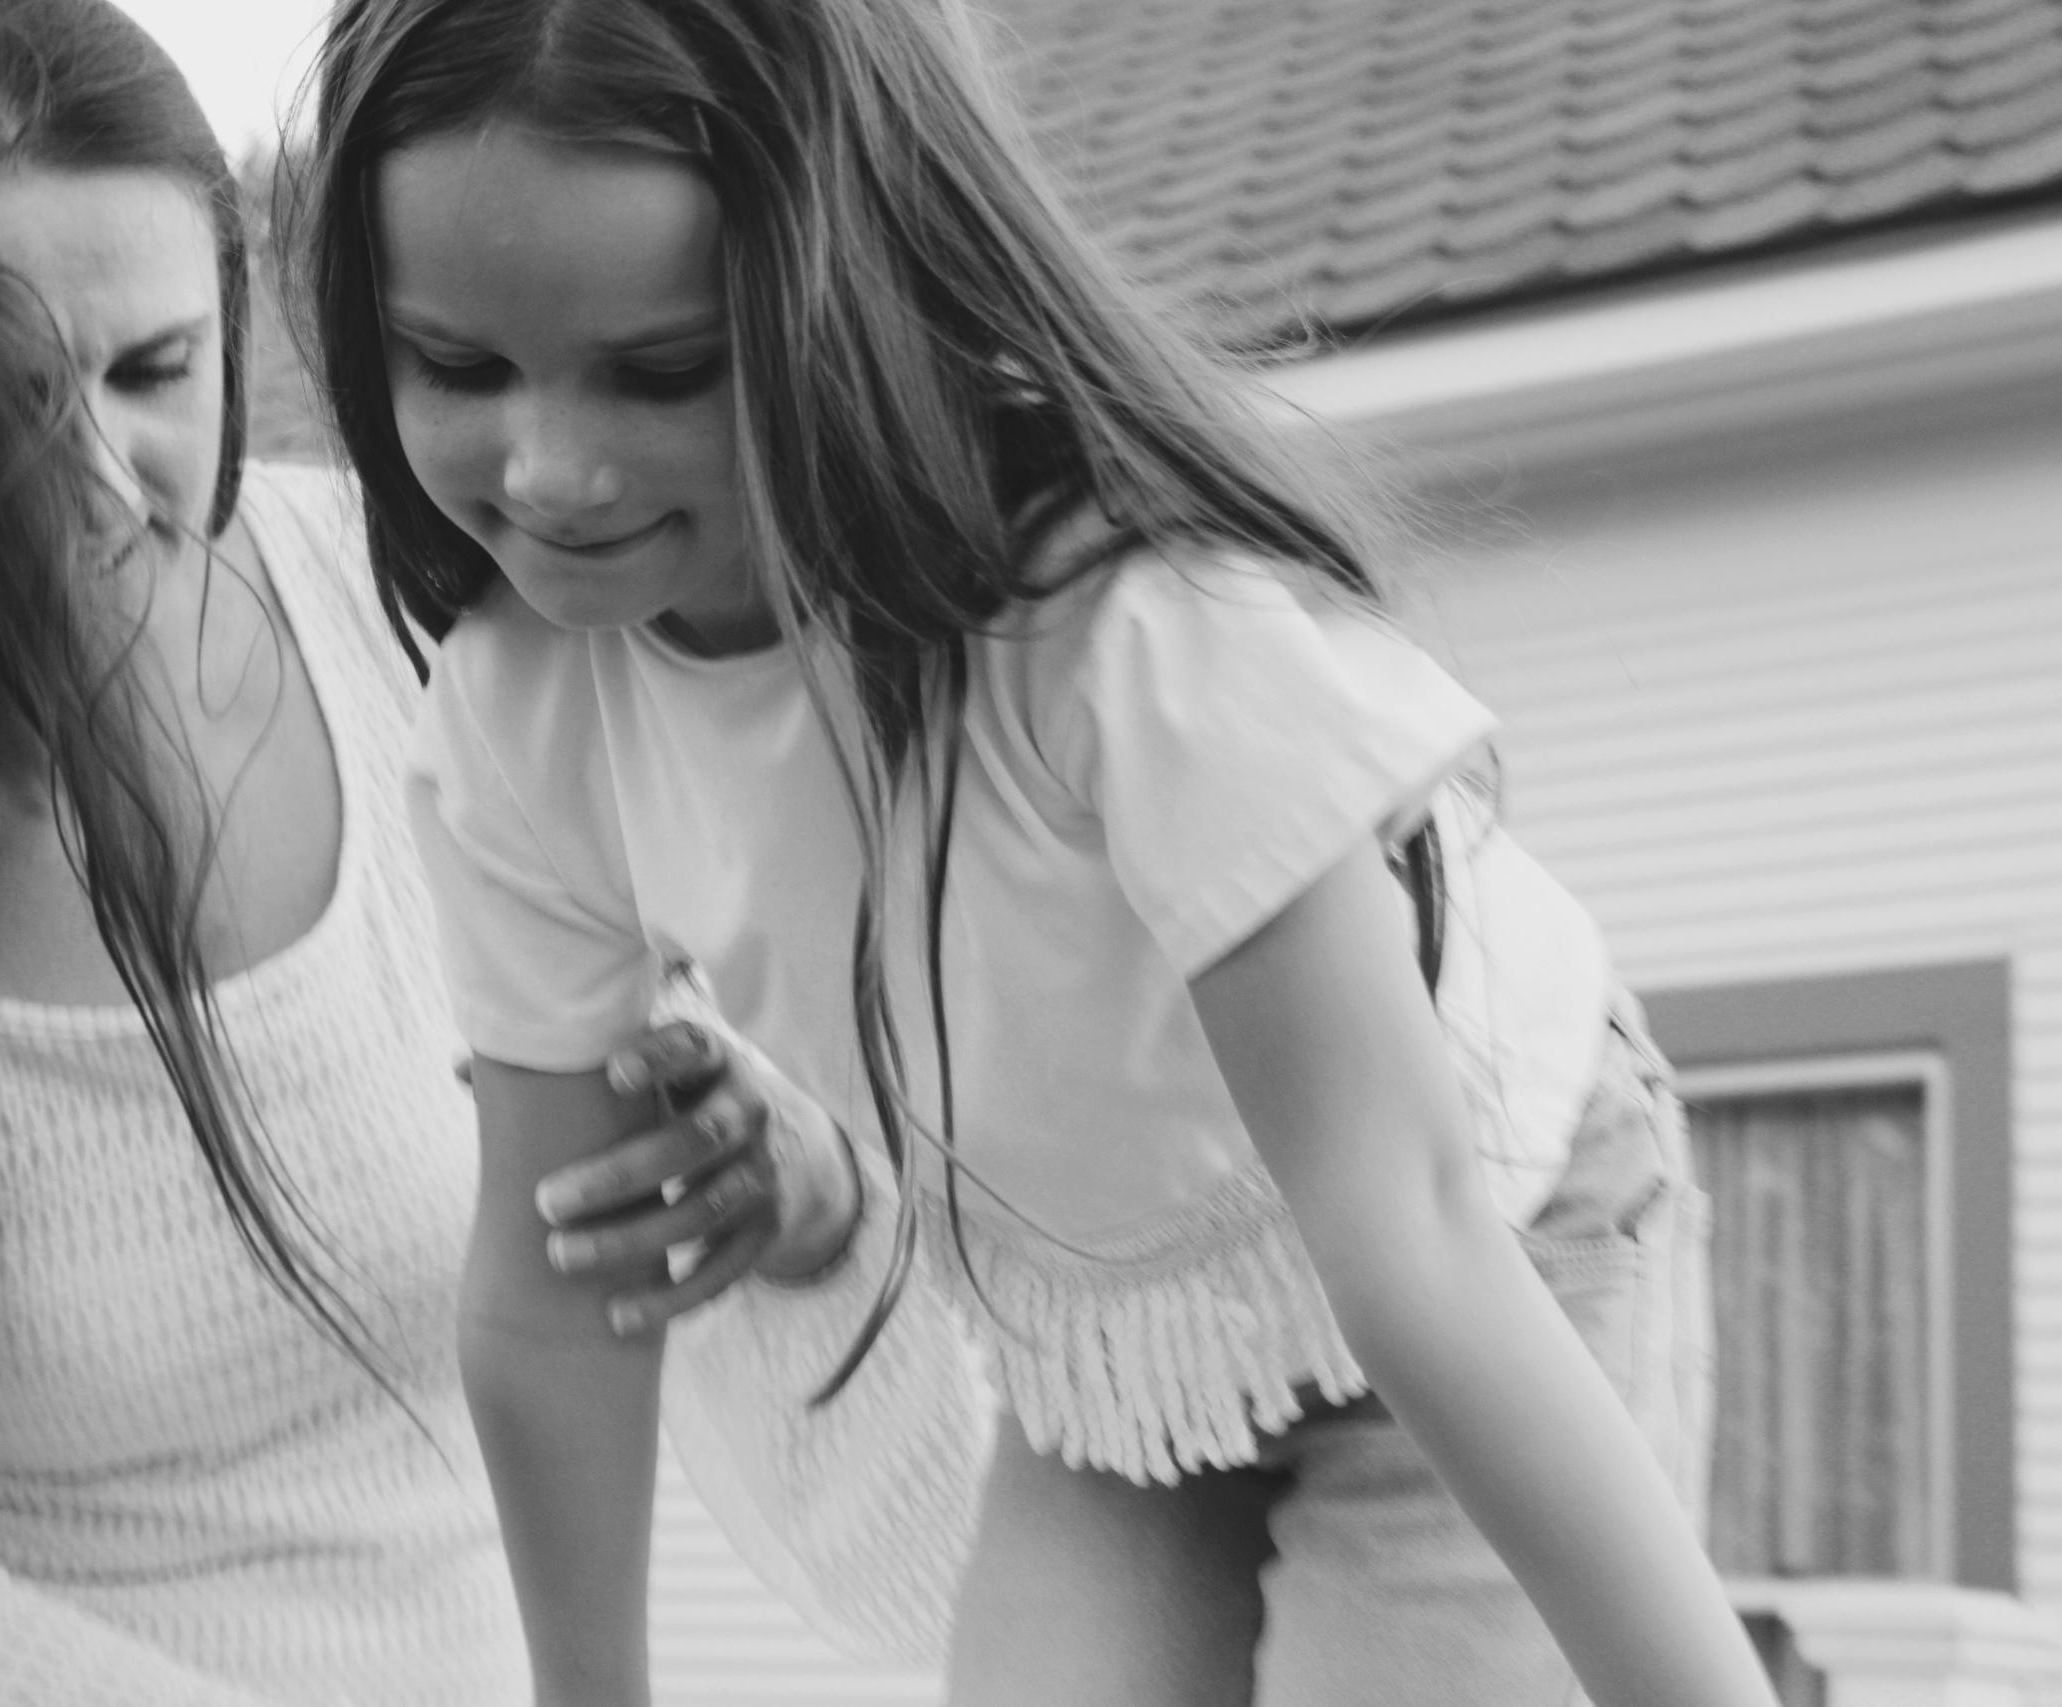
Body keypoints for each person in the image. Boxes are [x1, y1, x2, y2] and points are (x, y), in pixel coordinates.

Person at [300, 0, 1774, 1702]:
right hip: (1124, 1340)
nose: (550, 469)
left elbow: (1415, 1235)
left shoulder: (1128, 624)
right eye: (460, 367)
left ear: (850, 293)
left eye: (662, 371)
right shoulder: (520, 706)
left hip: (1484, 1226)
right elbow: (552, 1299)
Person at [0, 2, 983, 1703]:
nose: (93, 479)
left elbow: (682, 1327)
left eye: (153, 370)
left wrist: (813, 1219)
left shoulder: (415, 622)